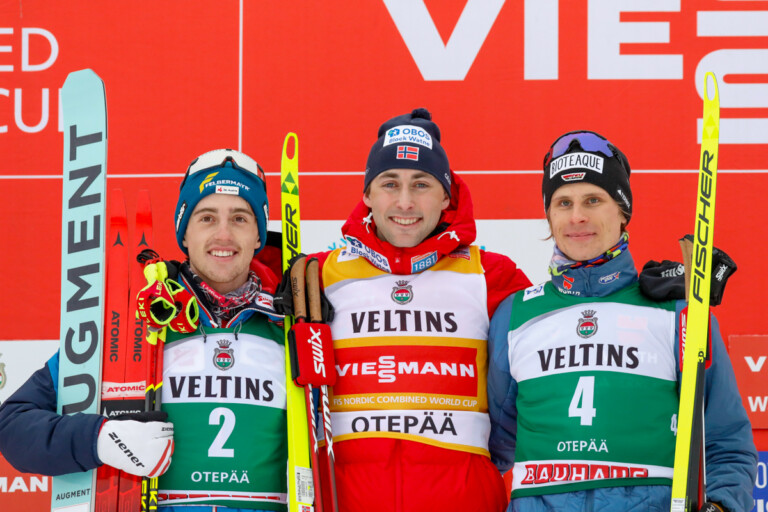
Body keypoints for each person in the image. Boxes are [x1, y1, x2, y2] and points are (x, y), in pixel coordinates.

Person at [0, 149, 289, 512]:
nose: (223, 234)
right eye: (206, 217)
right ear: (184, 233)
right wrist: (102, 439)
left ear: (259, 236)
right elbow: (13, 426)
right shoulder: (134, 319)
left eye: (240, 218)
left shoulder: (291, 324)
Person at [487, 130, 757, 512]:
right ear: (548, 214)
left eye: (593, 200)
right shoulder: (515, 315)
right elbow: (491, 447)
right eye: (563, 202)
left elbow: (725, 440)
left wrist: (722, 505)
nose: (577, 216)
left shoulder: (679, 313)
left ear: (622, 210)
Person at [300, 108, 532, 512]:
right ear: (367, 194)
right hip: (347, 500)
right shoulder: (316, 275)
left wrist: (648, 298)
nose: (405, 202)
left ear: (446, 196)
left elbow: (558, 345)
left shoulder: (491, 274)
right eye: (390, 183)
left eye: (421, 184)